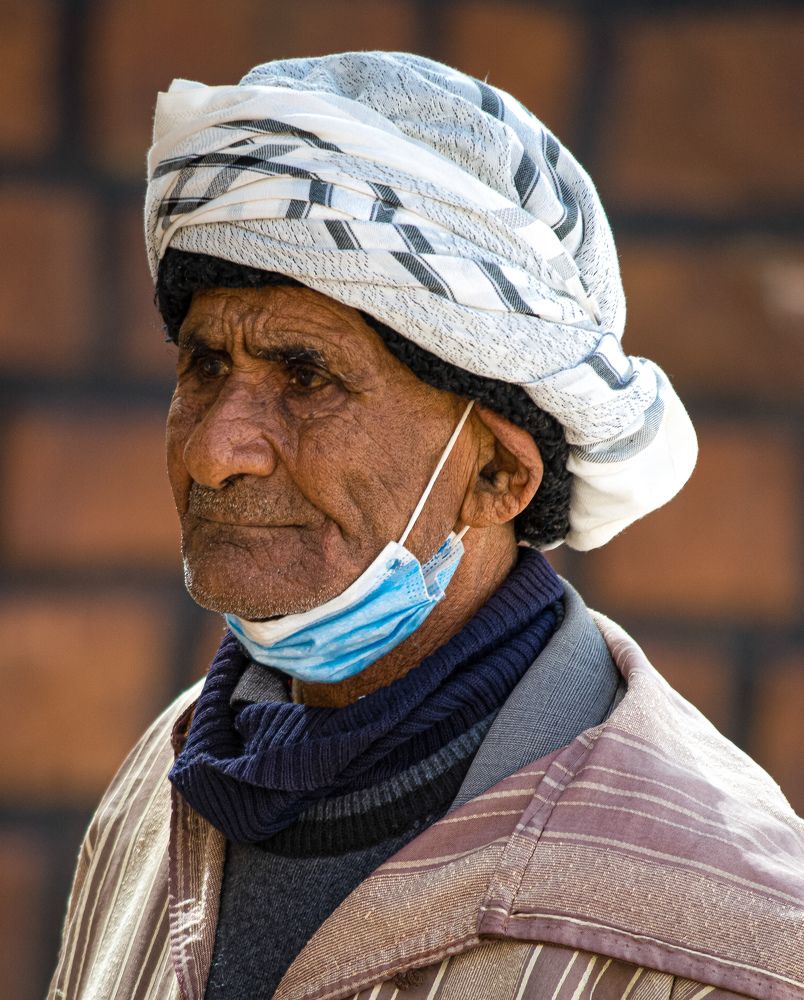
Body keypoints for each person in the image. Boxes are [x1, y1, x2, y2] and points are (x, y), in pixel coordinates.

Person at [49, 52, 802, 1000]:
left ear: (496, 474)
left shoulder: (727, 935)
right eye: (205, 366)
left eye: (305, 376)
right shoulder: (158, 789)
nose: (215, 452)